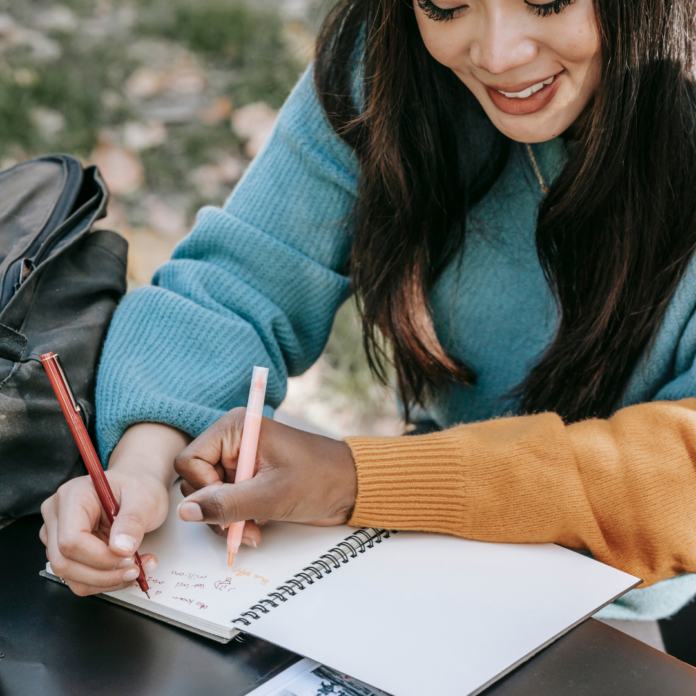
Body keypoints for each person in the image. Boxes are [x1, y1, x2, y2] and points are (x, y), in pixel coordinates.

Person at [39, 0, 696, 639]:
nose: (498, 54)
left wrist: (357, 482)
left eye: (548, 1)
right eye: (446, 3)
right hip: (419, 554)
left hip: (611, 608)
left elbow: (680, 472)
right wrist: (139, 466)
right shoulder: (384, 59)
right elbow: (244, 276)